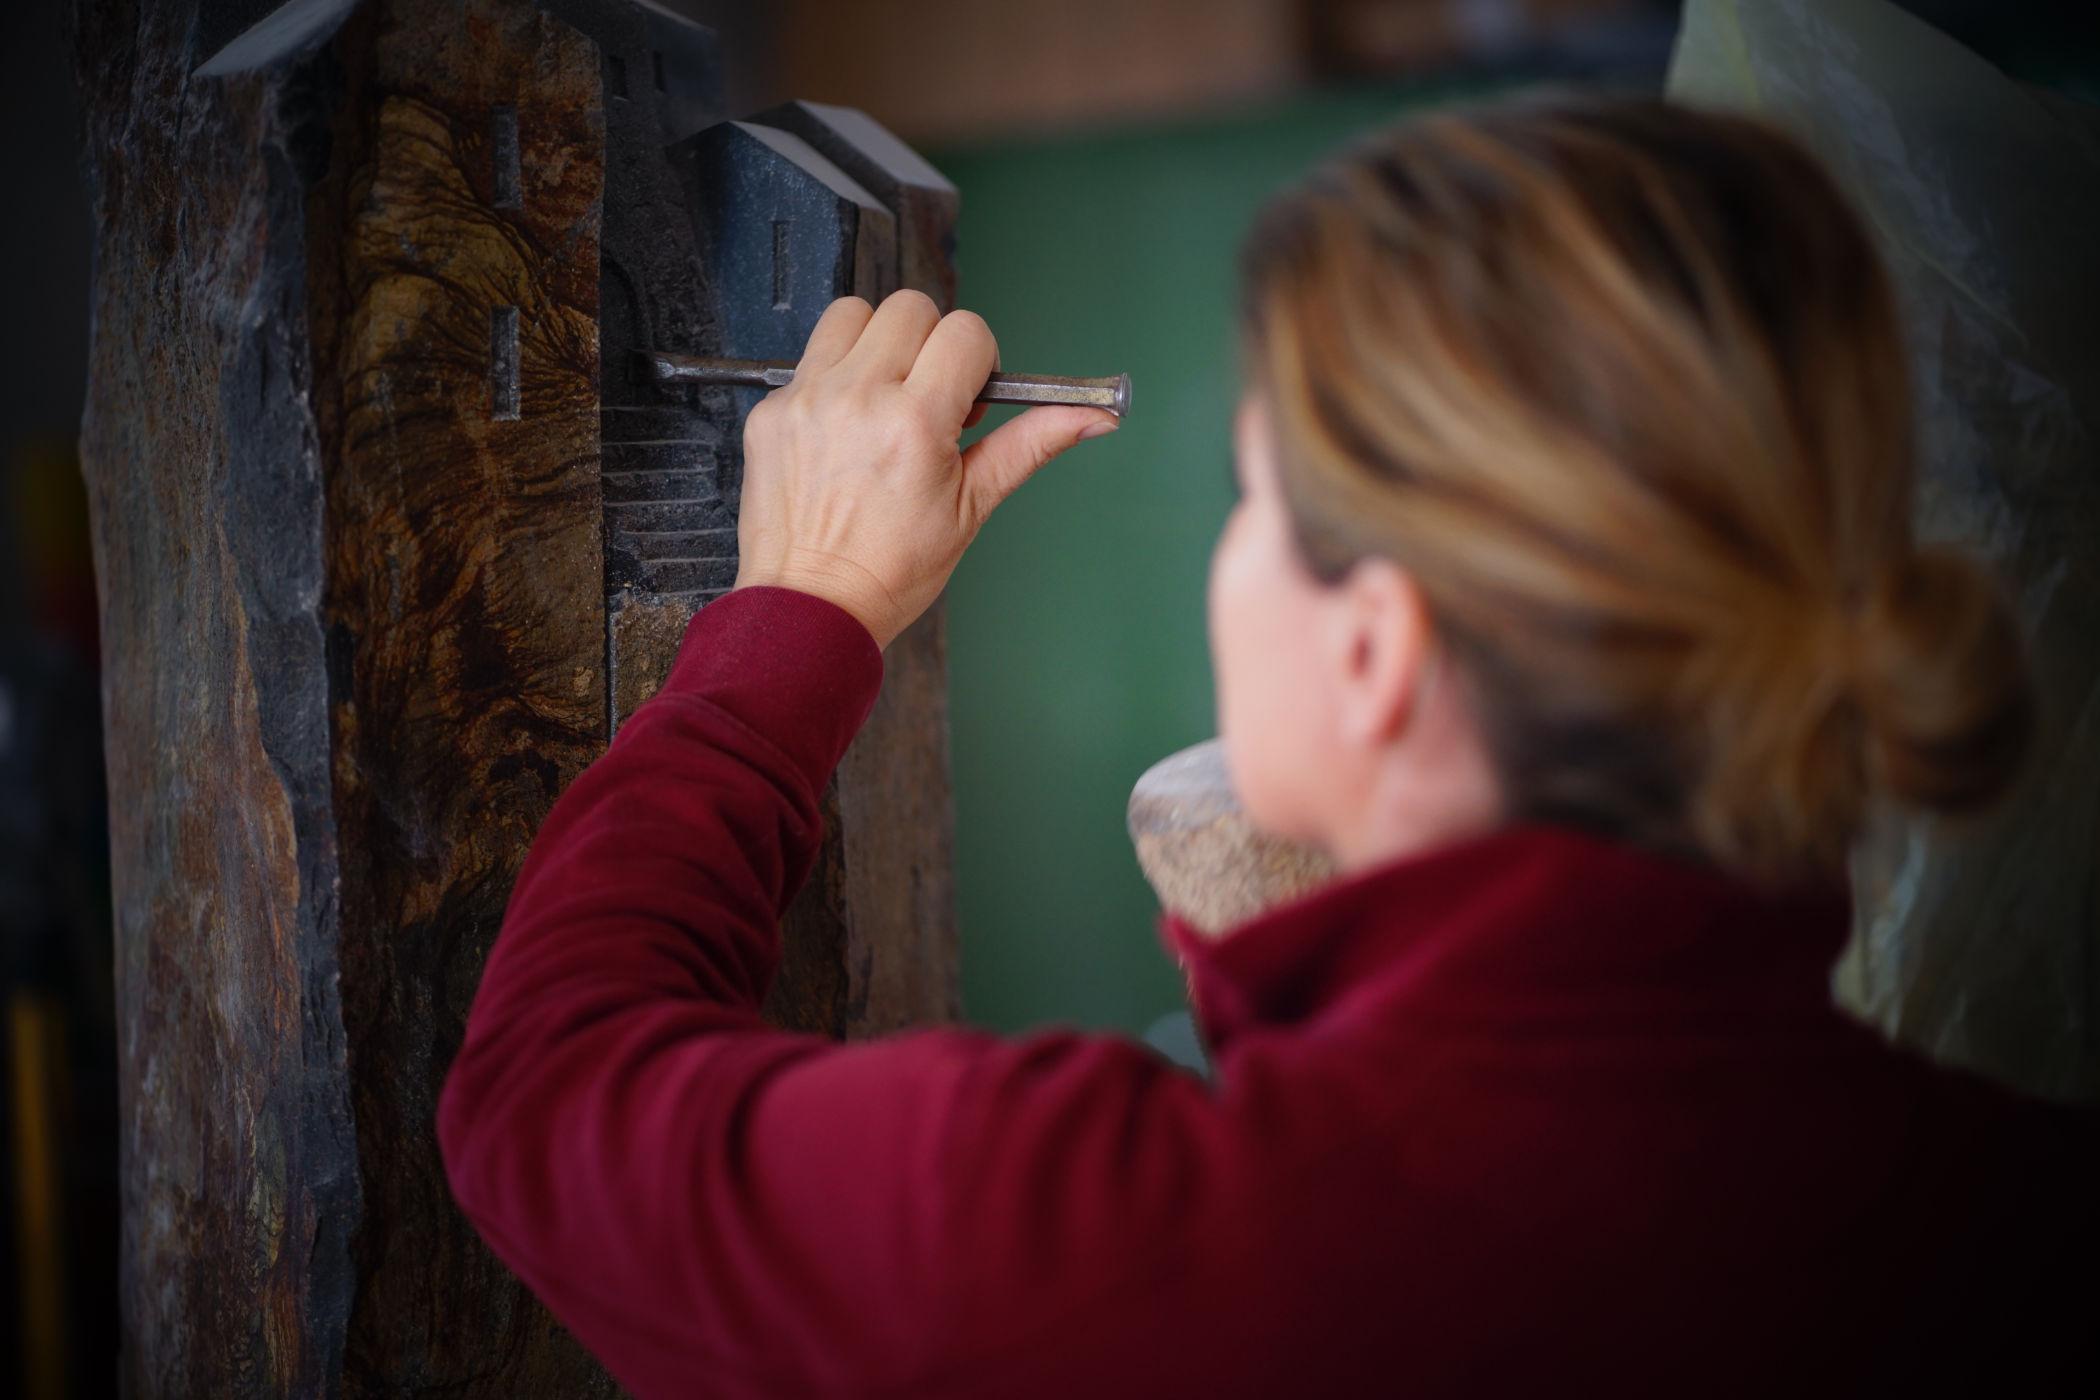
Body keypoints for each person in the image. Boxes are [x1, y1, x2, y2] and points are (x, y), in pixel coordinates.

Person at [437, 96, 2097, 1396]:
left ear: (1375, 649)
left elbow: (544, 1094)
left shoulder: (1096, 1253)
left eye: (1255, 499)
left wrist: (795, 616)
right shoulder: (2011, 1226)